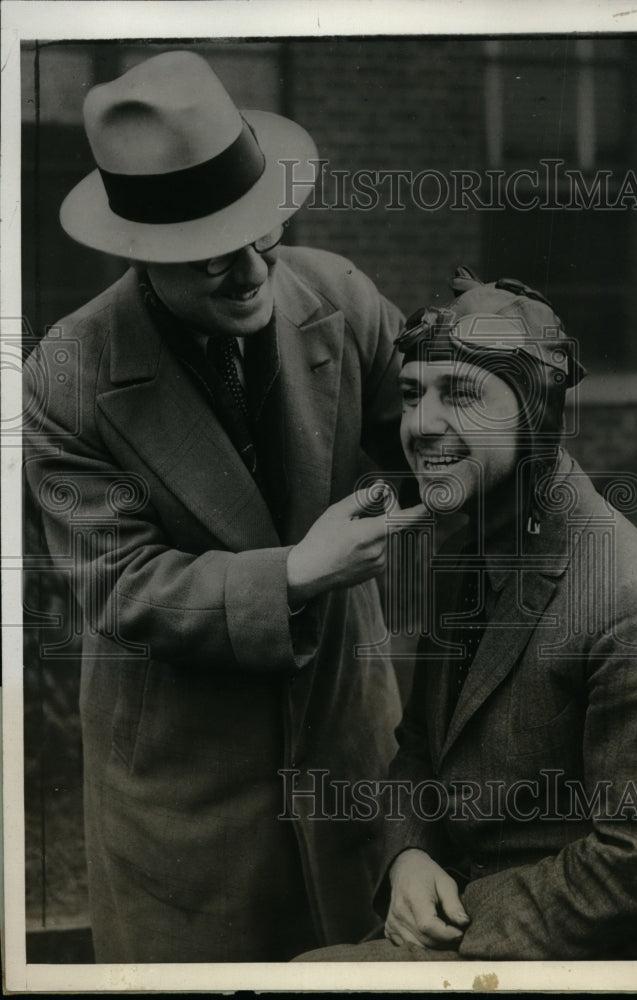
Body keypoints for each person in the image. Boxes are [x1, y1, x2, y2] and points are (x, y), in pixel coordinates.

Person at [23, 50, 426, 963]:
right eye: (213, 256)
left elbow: (433, 440)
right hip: (185, 795)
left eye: (262, 235)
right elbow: (122, 587)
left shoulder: (339, 294)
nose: (251, 273)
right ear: (142, 252)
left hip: (347, 747)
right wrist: (294, 574)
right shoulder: (67, 376)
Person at [295, 271, 637, 961]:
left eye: (461, 394)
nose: (420, 424)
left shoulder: (635, 599)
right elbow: (420, 749)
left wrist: (457, 926)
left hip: (602, 953)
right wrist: (408, 856)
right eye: (411, 394)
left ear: (535, 412)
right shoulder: (464, 555)